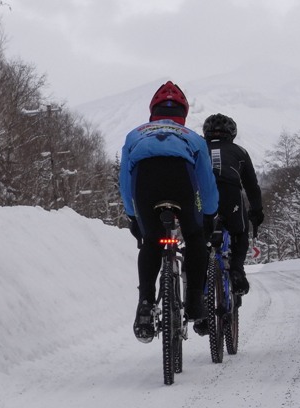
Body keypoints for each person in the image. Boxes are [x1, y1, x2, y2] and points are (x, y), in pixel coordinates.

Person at [119, 81, 219, 343]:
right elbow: (206, 184)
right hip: (181, 181)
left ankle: (144, 305)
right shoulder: (193, 138)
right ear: (183, 114)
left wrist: (133, 217)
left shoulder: (134, 135)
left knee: (152, 241)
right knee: (195, 236)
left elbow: (126, 182)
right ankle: (195, 299)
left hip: (146, 182)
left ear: (153, 112)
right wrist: (208, 216)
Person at [202, 113, 264, 295]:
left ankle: (198, 289)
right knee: (240, 231)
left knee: (198, 236)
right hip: (229, 193)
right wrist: (256, 212)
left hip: (203, 194)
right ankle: (236, 269)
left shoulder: (197, 148)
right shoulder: (239, 151)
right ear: (232, 133)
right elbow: (251, 186)